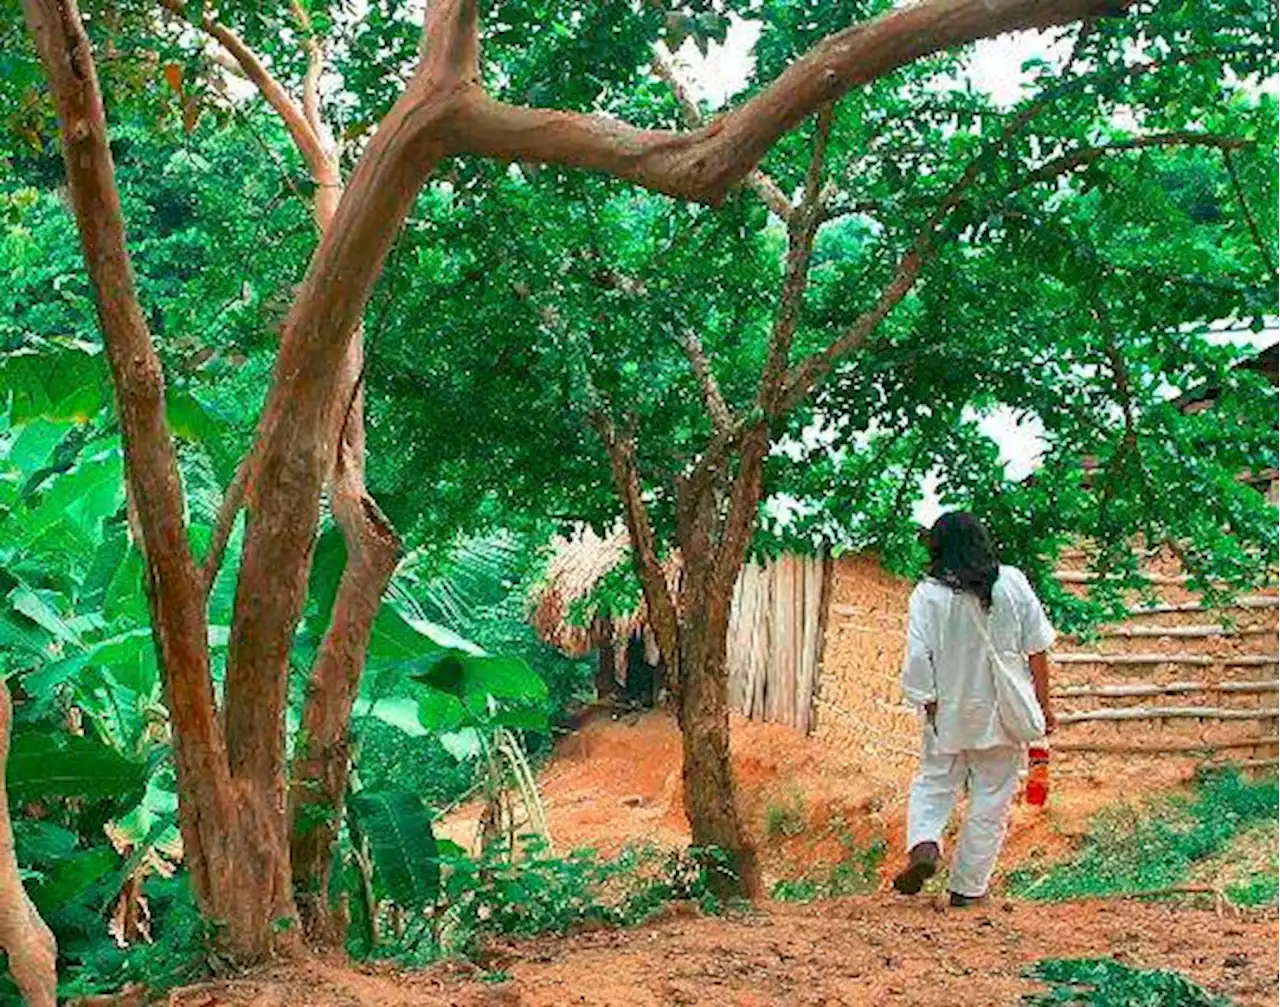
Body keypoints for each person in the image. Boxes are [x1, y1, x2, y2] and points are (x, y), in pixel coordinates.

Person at [892, 511, 1056, 908]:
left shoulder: (927, 595)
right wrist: (1044, 705)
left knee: (934, 781)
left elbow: (918, 657)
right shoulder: (1012, 582)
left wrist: (927, 702)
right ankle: (967, 889)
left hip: (948, 709)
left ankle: (926, 843)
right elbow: (1037, 649)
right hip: (1003, 712)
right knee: (992, 797)